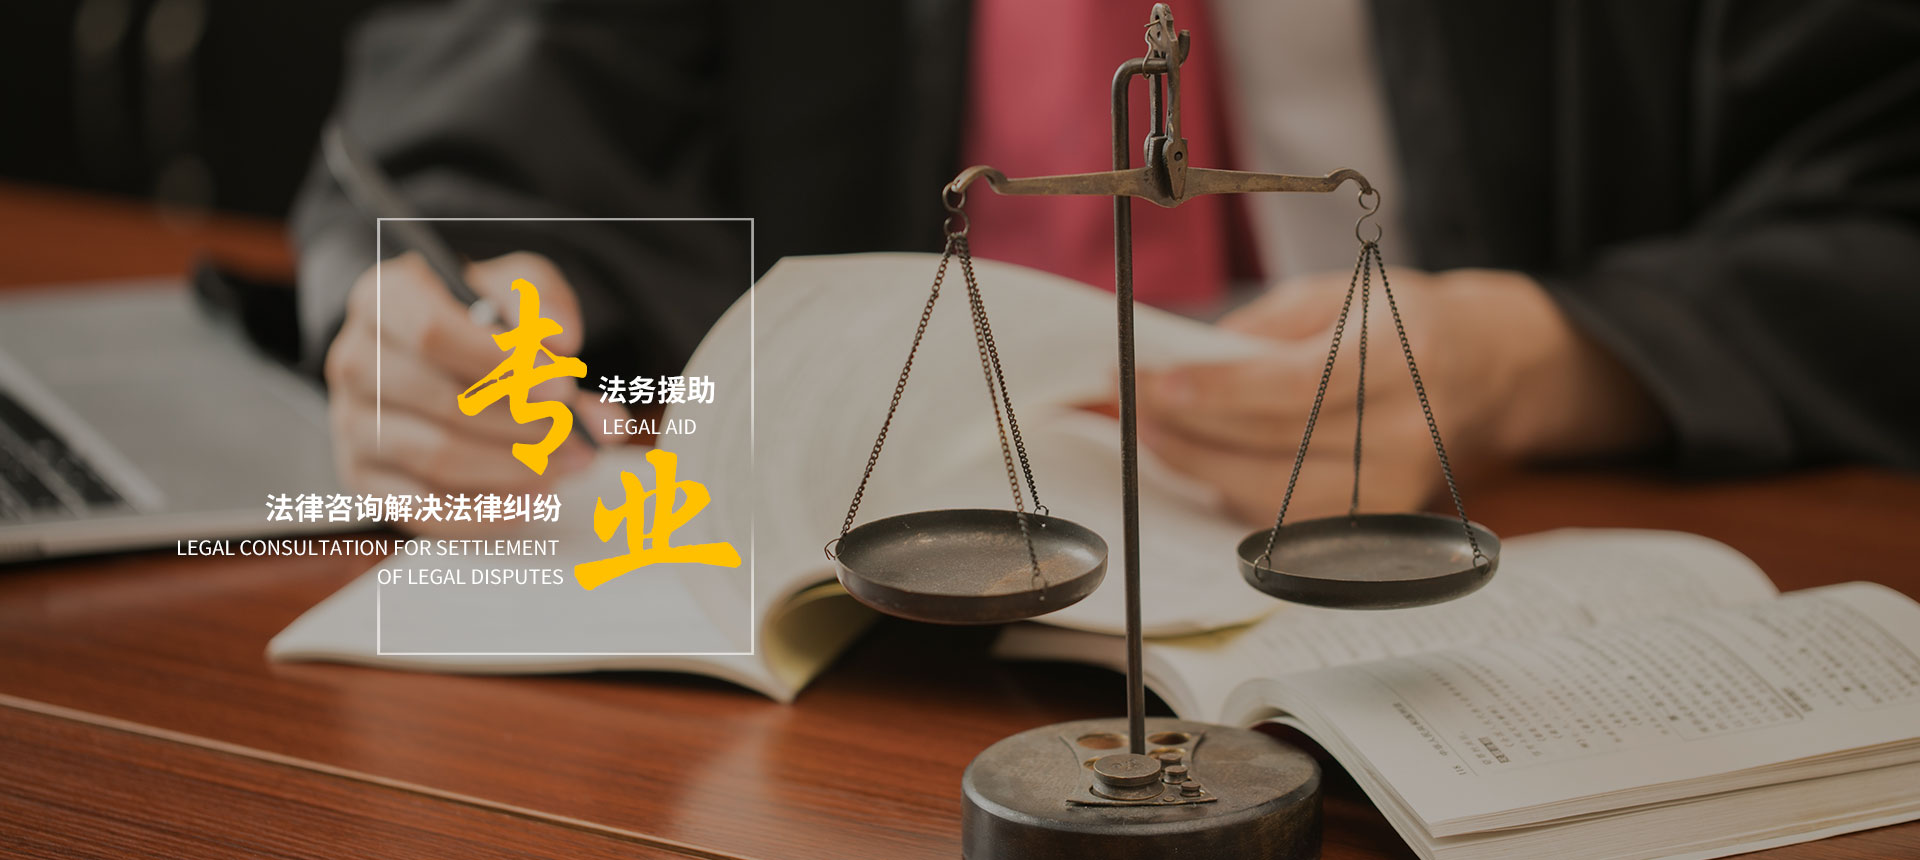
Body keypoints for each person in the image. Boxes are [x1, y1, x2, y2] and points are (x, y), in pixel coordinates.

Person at [294, 0, 1920, 522]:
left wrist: (1559, 357)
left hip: (1511, 541)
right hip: (850, 652)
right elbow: (479, 127)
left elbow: (1881, 181)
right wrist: (474, 302)